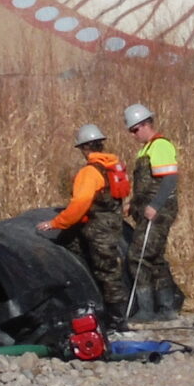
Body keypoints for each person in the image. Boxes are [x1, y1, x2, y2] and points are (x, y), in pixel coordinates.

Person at [38, 122, 130, 322]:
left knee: (106, 271)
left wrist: (56, 223)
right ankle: (112, 313)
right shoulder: (113, 165)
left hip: (97, 229)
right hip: (114, 224)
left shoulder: (89, 172)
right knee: (108, 267)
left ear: (85, 147)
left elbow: (79, 204)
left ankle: (117, 319)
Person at [123, 102, 184, 321]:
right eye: (131, 131)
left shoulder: (161, 146)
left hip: (159, 210)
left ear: (146, 124)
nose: (133, 134)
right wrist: (132, 202)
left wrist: (155, 206)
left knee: (137, 256)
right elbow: (145, 184)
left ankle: (146, 310)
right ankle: (167, 308)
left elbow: (169, 180)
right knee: (155, 256)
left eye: (135, 129)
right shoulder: (145, 149)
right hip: (147, 208)